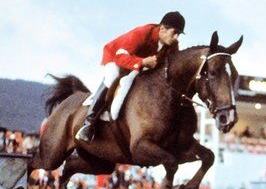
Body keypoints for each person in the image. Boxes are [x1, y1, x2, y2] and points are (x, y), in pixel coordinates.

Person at [76, 11, 186, 142]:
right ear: (162, 29)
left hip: (136, 64)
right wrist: (142, 62)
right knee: (112, 77)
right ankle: (89, 123)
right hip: (115, 56)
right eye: (175, 32)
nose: (176, 37)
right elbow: (120, 57)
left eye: (179, 34)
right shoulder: (141, 33)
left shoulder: (172, 45)